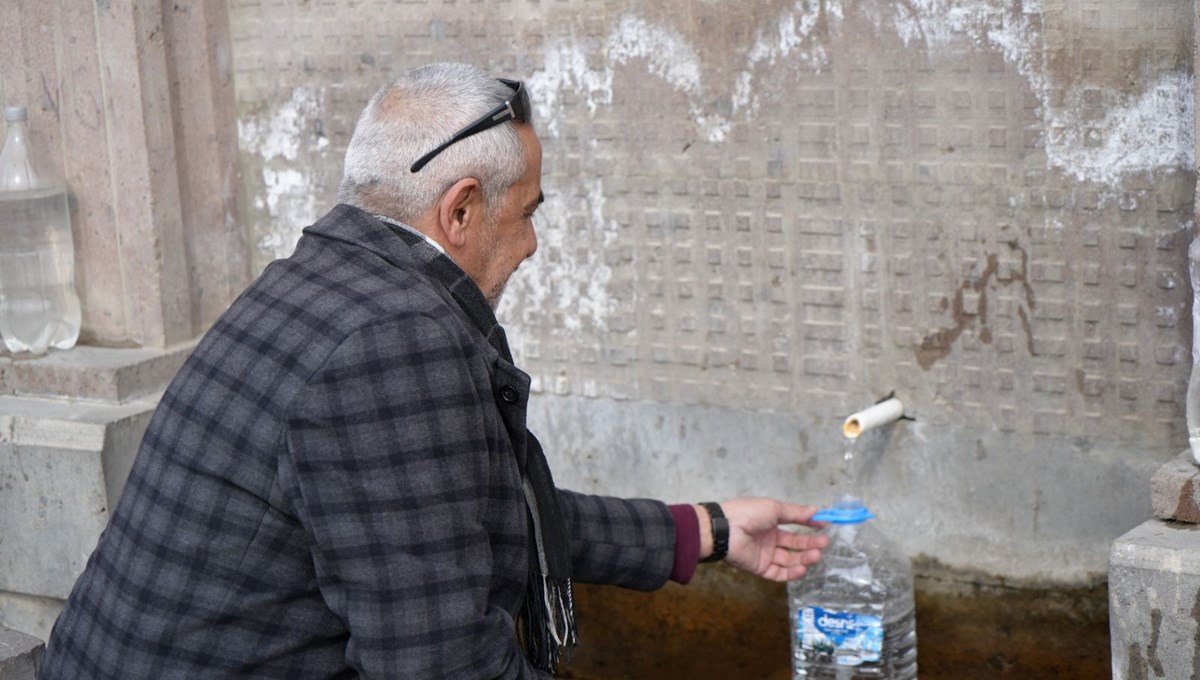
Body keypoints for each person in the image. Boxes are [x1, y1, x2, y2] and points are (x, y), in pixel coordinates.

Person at [39, 62, 828, 679]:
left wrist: (708, 529)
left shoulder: (320, 281)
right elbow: (441, 666)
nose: (531, 246)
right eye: (526, 213)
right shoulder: (392, 341)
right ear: (459, 211)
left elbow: (465, 519)